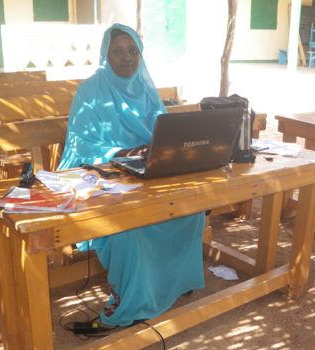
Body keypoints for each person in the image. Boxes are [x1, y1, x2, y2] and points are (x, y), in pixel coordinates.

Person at [58, 24, 205, 329]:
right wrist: (120, 152)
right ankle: (134, 300)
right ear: (106, 55)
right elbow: (80, 145)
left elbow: (164, 132)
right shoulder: (90, 91)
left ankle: (173, 283)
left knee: (190, 211)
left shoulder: (145, 89)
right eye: (118, 51)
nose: (127, 57)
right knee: (132, 227)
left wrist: (157, 150)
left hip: (145, 172)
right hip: (102, 175)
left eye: (132, 51)